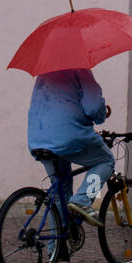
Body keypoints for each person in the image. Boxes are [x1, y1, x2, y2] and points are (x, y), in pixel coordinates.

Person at [27, 68, 113, 227]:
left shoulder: (44, 72)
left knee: (60, 195)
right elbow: (93, 107)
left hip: (38, 138)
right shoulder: (80, 69)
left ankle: (57, 250)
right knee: (105, 161)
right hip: (68, 136)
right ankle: (83, 199)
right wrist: (102, 115)